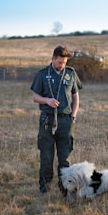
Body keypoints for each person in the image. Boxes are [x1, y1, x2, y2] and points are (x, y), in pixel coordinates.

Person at [31, 45, 82, 194]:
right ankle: (44, 189)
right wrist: (46, 100)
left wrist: (73, 115)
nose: (62, 65)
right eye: (59, 62)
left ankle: (65, 189)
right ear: (53, 59)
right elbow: (35, 97)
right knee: (46, 157)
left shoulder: (71, 73)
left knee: (65, 158)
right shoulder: (42, 74)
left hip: (66, 121)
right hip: (47, 120)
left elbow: (75, 97)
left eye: (64, 62)